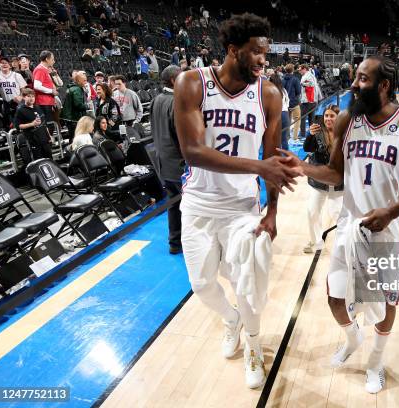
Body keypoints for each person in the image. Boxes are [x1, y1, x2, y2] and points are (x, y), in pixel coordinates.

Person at [280, 56, 399, 393]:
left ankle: (375, 362)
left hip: (391, 229)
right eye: (355, 77)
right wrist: (304, 167)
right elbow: (336, 173)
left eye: (363, 80)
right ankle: (352, 338)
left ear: (384, 85)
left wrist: (393, 211)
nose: (354, 85)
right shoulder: (347, 122)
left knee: (385, 302)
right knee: (335, 299)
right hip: (350, 224)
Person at [174, 13, 301, 389]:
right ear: (233, 50)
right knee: (200, 283)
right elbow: (194, 152)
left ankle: (254, 346)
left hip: (242, 209)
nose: (265, 62)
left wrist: (273, 210)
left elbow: (275, 159)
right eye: (257, 54)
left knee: (248, 284)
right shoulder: (192, 83)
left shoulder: (269, 95)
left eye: (266, 55)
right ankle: (230, 320)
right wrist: (258, 165)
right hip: (198, 202)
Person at [150, 65, 184, 254]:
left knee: (174, 205)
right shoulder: (176, 102)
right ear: (173, 80)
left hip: (163, 163)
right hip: (179, 165)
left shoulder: (156, 100)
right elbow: (182, 137)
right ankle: (191, 244)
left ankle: (174, 243)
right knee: (189, 207)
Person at [301, 104, 343, 254]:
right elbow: (307, 148)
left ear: (338, 118)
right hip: (319, 181)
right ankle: (316, 242)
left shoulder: (344, 134)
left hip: (338, 183)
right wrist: (310, 134)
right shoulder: (317, 131)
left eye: (332, 116)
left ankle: (344, 243)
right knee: (312, 211)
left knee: (337, 213)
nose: (328, 118)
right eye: (326, 116)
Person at [14, 88, 52, 161]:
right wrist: (32, 124)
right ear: (24, 97)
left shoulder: (38, 107)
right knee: (39, 161)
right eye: (29, 96)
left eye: (33, 96)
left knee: (50, 160)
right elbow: (18, 126)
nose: (31, 98)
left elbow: (44, 124)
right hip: (33, 141)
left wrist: (49, 136)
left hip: (45, 139)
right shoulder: (21, 110)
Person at [0, 55, 27, 129]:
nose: (4, 64)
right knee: (9, 124)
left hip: (17, 102)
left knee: (20, 122)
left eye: (6, 63)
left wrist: (20, 96)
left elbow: (23, 89)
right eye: (2, 63)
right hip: (6, 102)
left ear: (10, 65)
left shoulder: (16, 75)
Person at [32, 50, 59, 123]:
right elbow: (36, 86)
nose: (54, 61)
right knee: (47, 125)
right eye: (52, 59)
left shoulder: (44, 69)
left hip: (46, 102)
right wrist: (51, 91)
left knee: (50, 124)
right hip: (43, 103)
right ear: (47, 59)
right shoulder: (40, 69)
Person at [61, 71, 89, 139]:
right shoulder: (77, 90)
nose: (86, 82)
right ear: (79, 80)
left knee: (73, 137)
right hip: (74, 118)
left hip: (70, 118)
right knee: (76, 137)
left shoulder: (72, 88)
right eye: (84, 80)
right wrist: (87, 106)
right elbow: (78, 105)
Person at [269, 73, 290, 150]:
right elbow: (288, 102)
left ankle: (276, 157)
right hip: (285, 114)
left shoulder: (271, 91)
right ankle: (285, 157)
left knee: (274, 138)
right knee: (284, 138)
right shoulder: (283, 90)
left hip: (276, 115)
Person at [282, 63, 301, 141]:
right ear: (293, 70)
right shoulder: (295, 79)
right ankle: (295, 137)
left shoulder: (282, 79)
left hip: (285, 104)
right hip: (294, 102)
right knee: (297, 119)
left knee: (288, 121)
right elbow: (298, 91)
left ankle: (287, 136)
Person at [299, 64, 317, 138]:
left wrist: (303, 84)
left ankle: (303, 134)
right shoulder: (308, 75)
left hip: (308, 100)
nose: (299, 71)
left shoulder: (308, 75)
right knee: (311, 117)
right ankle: (312, 133)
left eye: (300, 70)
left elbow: (311, 84)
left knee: (303, 117)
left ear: (304, 69)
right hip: (310, 99)